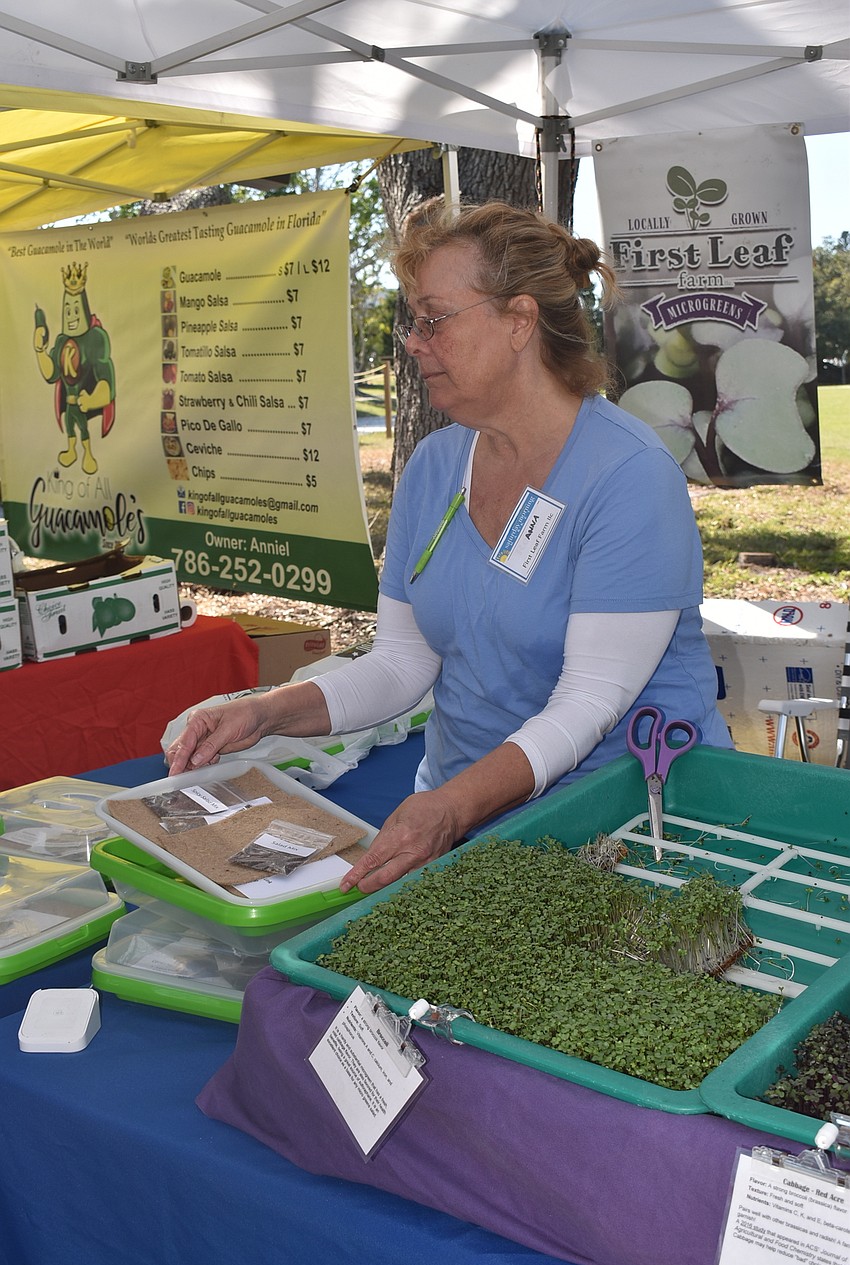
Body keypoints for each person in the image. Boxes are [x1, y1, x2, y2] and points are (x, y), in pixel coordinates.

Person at [166, 198, 731, 893]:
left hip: (627, 833)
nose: (412, 341)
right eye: (413, 321)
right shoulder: (435, 467)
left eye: (432, 319)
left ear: (519, 321)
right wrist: (266, 711)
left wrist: (453, 807)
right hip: (472, 827)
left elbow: (588, 701)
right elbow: (404, 663)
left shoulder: (628, 476)